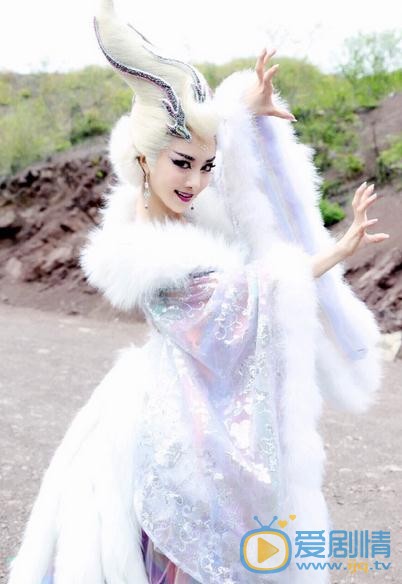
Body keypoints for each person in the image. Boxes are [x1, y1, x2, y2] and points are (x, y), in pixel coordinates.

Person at [8, 1, 388, 583]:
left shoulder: (179, 214)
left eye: (205, 166)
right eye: (183, 164)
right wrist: (335, 253)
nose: (196, 181)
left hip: (184, 390)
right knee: (182, 532)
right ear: (143, 158)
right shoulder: (144, 250)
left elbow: (239, 197)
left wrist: (242, 108)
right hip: (172, 411)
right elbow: (239, 296)